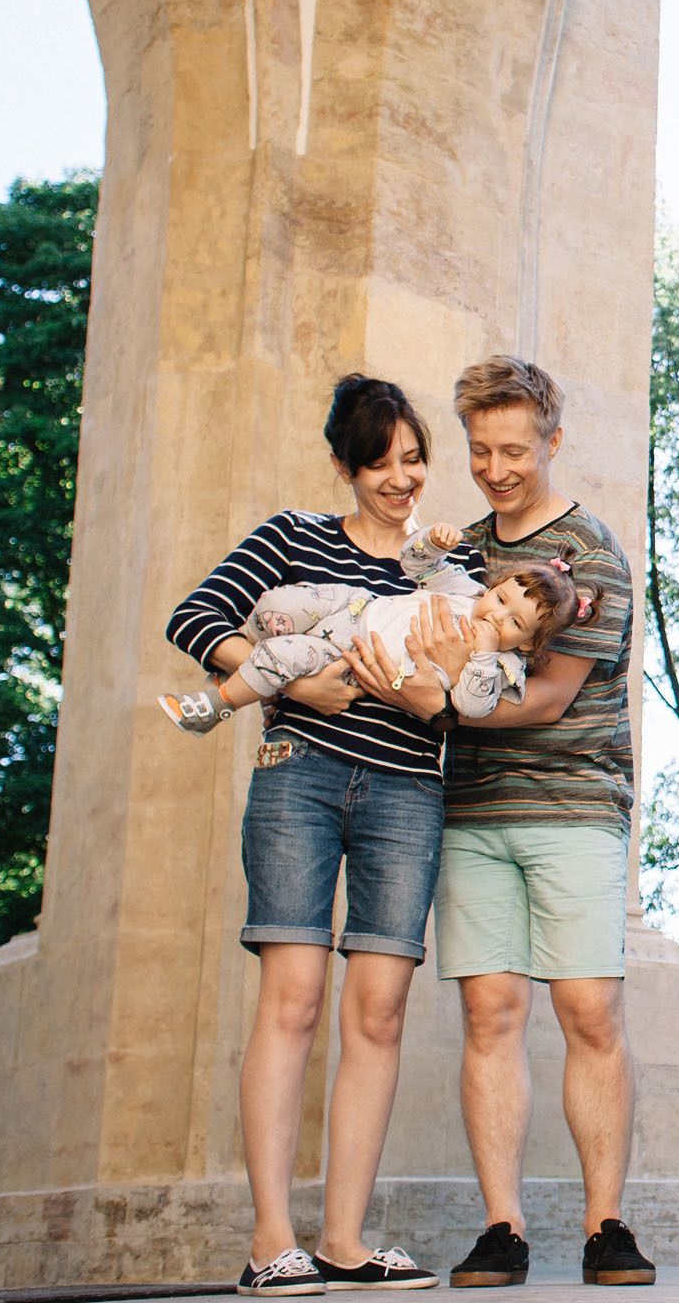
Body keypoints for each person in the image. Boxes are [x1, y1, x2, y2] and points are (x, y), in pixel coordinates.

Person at [343, 356, 652, 1288]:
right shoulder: (457, 553)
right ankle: (503, 1228)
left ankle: (607, 1227)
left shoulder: (591, 556)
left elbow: (549, 700)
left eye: (515, 449)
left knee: (589, 1009)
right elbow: (404, 636)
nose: (496, 468)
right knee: (490, 1010)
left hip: (574, 808)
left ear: (552, 442)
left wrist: (436, 702)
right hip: (472, 810)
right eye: (479, 450)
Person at [164, 375, 463, 1296]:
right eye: (379, 464)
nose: (401, 479)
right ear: (345, 465)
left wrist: (435, 691)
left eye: (412, 459)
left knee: (376, 1012)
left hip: (408, 791)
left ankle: (343, 1240)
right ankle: (269, 1245)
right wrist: (288, 682)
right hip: (299, 778)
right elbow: (194, 619)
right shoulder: (293, 536)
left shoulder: (446, 570)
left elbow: (466, 692)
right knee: (292, 1001)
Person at [159, 525, 581, 732]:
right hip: (356, 607)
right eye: (502, 599)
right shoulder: (464, 590)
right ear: (494, 587)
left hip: (350, 657)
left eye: (515, 624)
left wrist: (484, 655)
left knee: (284, 656)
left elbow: (471, 708)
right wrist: (432, 544)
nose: (496, 617)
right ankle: (246, 673)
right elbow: (412, 564)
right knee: (275, 608)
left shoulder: (500, 665)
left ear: (527, 646)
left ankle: (215, 705)